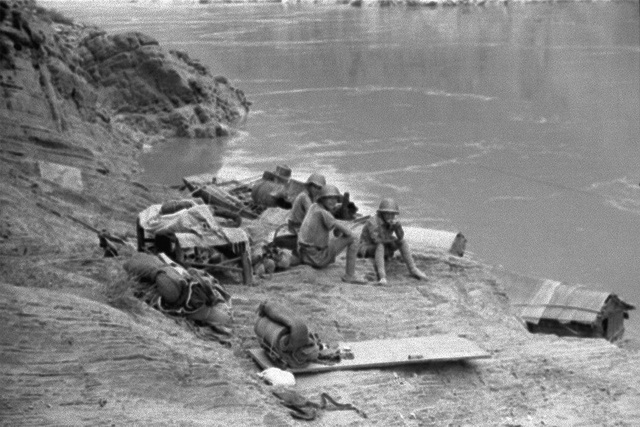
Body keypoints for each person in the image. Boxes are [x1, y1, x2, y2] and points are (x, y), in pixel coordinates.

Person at [297, 184, 367, 284]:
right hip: (316, 258)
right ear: (322, 199)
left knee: (335, 238)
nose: (333, 201)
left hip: (304, 254)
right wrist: (341, 229)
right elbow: (348, 232)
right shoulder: (324, 213)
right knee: (354, 238)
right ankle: (350, 275)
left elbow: (336, 232)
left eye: (335, 198)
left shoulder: (314, 207)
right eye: (329, 198)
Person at [358, 198, 427, 285]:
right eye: (387, 214)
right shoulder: (373, 222)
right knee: (380, 245)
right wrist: (391, 240)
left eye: (392, 214)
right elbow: (376, 240)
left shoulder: (392, 222)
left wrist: (397, 227)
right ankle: (382, 277)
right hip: (367, 247)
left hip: (384, 246)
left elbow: (400, 237)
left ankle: (413, 269)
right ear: (382, 213)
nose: (390, 216)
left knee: (402, 242)